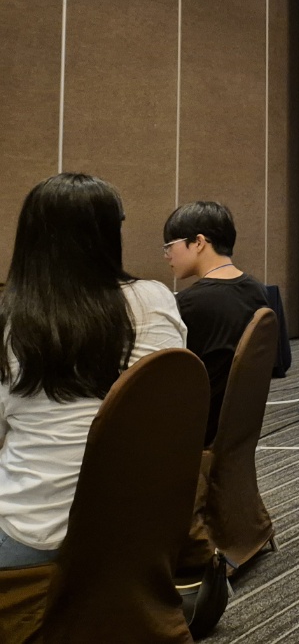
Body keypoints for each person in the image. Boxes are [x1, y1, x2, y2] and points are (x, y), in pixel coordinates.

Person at [0, 173, 186, 568]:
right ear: (110, 234)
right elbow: (173, 408)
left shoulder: (11, 323)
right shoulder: (155, 299)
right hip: (143, 527)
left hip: (31, 535)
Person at [163, 201, 270, 446]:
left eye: (170, 246)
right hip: (237, 427)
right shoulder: (258, 291)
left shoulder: (189, 304)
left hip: (197, 431)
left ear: (199, 242)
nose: (167, 255)